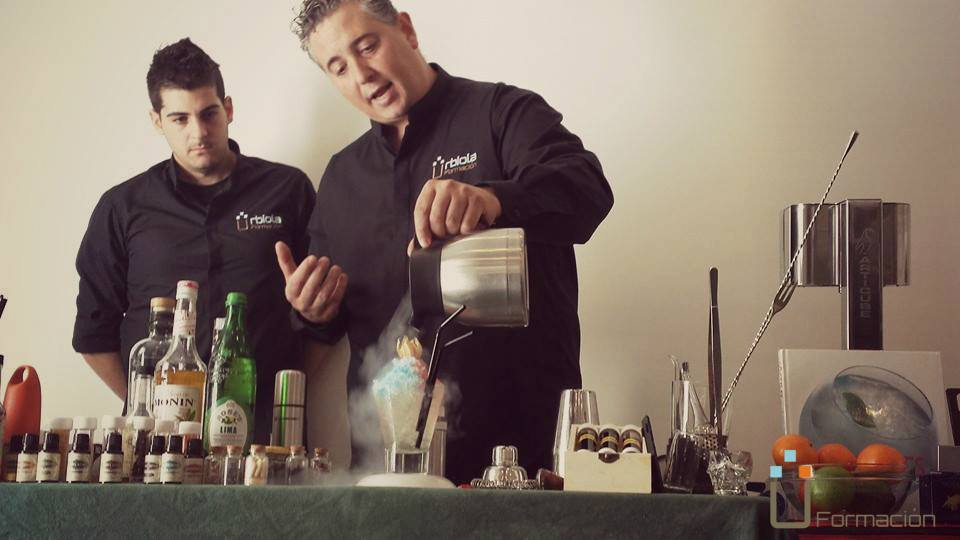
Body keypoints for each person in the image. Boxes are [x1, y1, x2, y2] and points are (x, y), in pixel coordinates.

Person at [280, 0, 613, 483]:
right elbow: (333, 322)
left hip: (520, 464)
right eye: (339, 67)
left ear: (406, 30)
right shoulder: (341, 176)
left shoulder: (502, 112)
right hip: (387, 471)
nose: (361, 74)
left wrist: (492, 199)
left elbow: (589, 191)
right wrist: (313, 310)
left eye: (367, 46)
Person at [73, 38, 316, 443]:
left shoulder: (288, 190)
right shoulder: (123, 207)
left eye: (209, 114)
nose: (199, 132)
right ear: (157, 121)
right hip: (156, 443)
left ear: (229, 108)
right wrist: (149, 406)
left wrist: (284, 400)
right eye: (180, 119)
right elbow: (92, 335)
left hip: (265, 438)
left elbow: (323, 320)